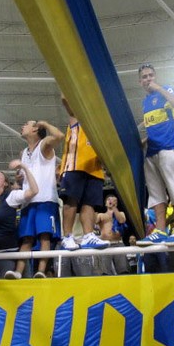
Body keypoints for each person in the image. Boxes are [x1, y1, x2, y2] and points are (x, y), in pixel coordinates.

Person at [136, 63, 174, 245]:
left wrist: (160, 88)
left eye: (151, 75)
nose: (148, 79)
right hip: (152, 151)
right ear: (140, 81)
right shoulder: (145, 103)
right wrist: (141, 143)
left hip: (170, 148)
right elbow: (153, 129)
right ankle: (160, 230)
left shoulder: (165, 90)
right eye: (144, 77)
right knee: (156, 194)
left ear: (155, 77)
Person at [6, 120, 64, 279]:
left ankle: (42, 271)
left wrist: (44, 123)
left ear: (35, 129)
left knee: (45, 236)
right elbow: (26, 177)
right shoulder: (23, 152)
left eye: (27, 124)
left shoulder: (44, 145)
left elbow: (59, 135)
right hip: (28, 201)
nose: (22, 125)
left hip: (46, 199)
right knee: (26, 238)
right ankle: (18, 272)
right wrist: (19, 179)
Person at [58, 96, 109, 251]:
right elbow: (65, 98)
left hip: (94, 168)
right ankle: (67, 236)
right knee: (71, 200)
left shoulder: (101, 128)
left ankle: (88, 235)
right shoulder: (77, 116)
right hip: (75, 164)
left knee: (89, 203)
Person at [95, 195, 130, 275]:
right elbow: (93, 222)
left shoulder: (121, 213)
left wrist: (114, 208)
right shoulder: (101, 215)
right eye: (109, 200)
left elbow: (121, 220)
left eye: (114, 200)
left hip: (118, 243)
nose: (111, 201)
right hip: (105, 245)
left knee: (123, 270)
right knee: (105, 271)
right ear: (105, 203)